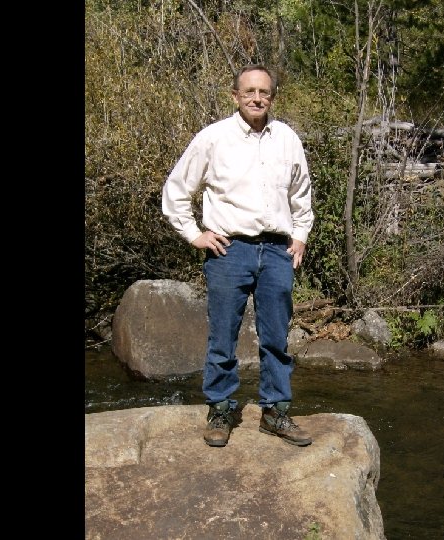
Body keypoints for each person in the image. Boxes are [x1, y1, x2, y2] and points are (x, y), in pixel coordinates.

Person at [162, 64, 314, 447]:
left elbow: (301, 194)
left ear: (272, 97)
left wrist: (300, 235)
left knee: (276, 337)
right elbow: (176, 190)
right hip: (229, 250)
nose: (257, 98)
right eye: (249, 92)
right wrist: (194, 235)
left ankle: (275, 412)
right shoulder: (214, 138)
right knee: (223, 337)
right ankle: (221, 409)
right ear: (236, 96)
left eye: (264, 92)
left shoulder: (287, 139)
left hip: (277, 251)